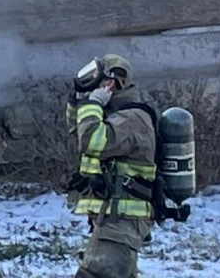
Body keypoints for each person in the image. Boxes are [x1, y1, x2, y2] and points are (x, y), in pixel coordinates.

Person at [65, 54, 156, 278]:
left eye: (93, 78)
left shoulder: (132, 119)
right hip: (113, 222)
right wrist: (79, 101)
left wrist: (93, 103)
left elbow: (92, 141)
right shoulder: (114, 116)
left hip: (121, 223)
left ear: (111, 83)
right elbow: (78, 132)